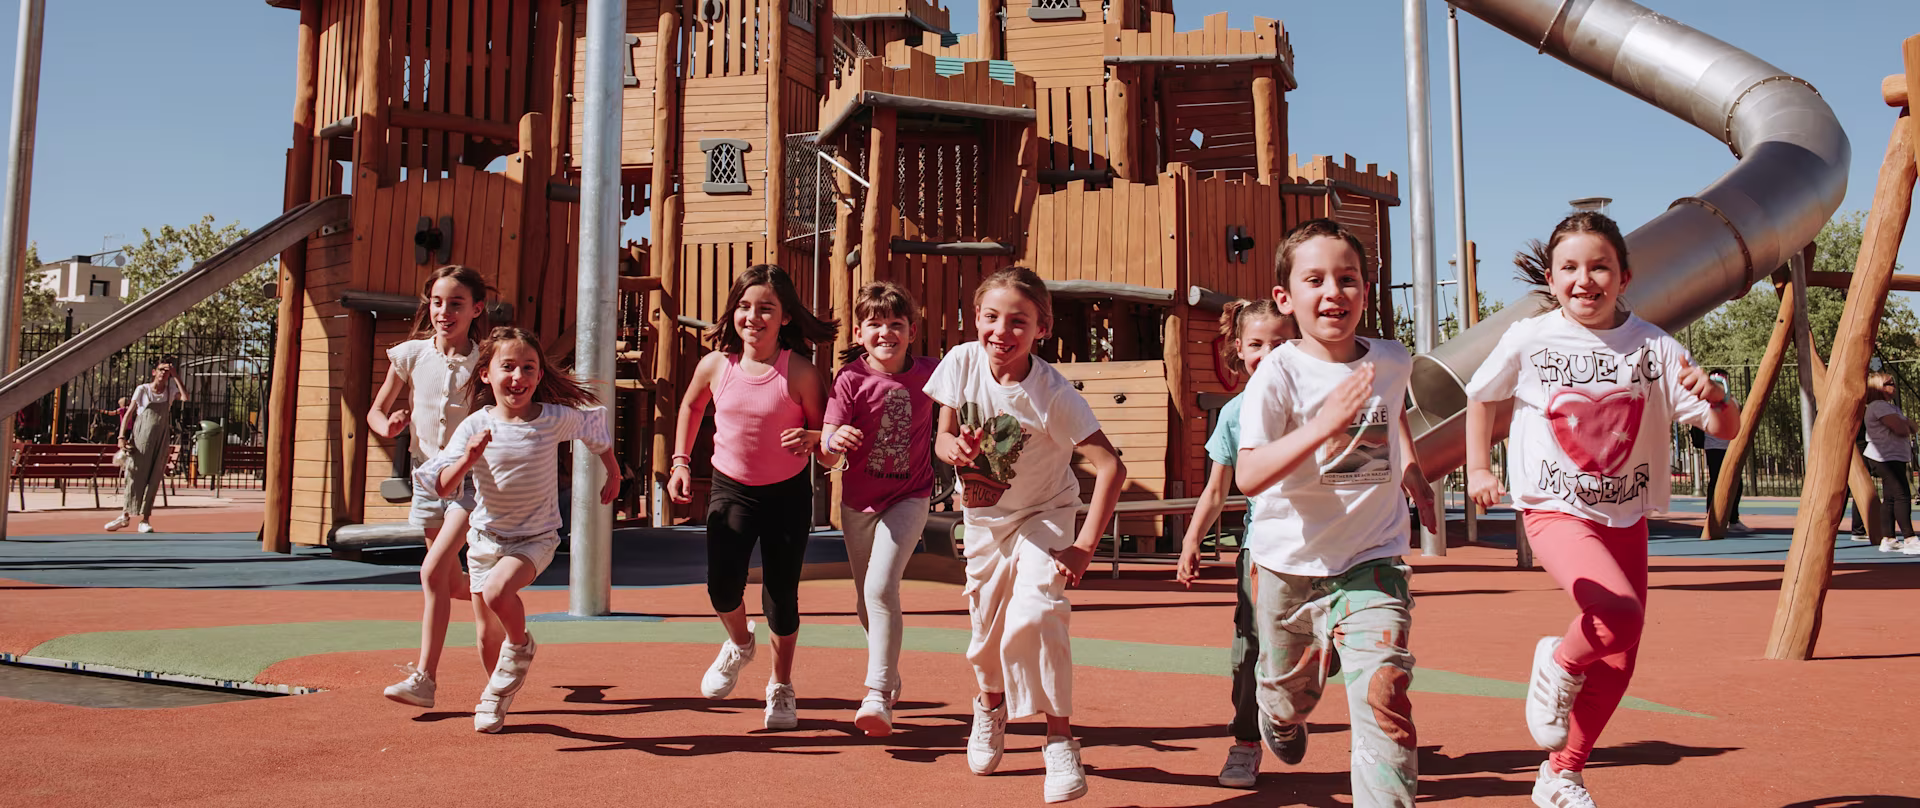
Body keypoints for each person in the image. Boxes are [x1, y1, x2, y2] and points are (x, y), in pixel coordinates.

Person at [1462, 212, 1738, 808]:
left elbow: (1723, 428)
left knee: (1619, 655)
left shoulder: (1653, 346)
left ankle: (1562, 772)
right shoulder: (1532, 337)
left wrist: (1717, 396)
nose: (1584, 279)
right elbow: (1481, 396)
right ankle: (1558, 661)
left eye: (1599, 267)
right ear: (1551, 275)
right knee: (1618, 612)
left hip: (1625, 514)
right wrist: (1481, 468)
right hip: (1554, 507)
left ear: (1624, 275)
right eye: (1570, 267)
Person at [1234, 218, 1435, 808]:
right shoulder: (1277, 375)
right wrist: (1322, 426)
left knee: (1384, 688)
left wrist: (1411, 470)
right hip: (1286, 565)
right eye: (1315, 280)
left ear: (1365, 292)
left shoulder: (1392, 359)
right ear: (1286, 297)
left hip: (1371, 557)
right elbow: (1248, 475)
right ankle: (1281, 711)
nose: (1333, 293)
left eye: (1348, 280)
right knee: (1289, 694)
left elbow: (1391, 411)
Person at [926, 266, 1126, 804]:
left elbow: (1111, 468)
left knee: (1038, 613)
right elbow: (944, 437)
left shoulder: (1054, 395)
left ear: (1042, 328)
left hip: (1045, 515)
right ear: (976, 319)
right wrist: (954, 451)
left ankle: (1059, 739)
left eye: (1019, 321)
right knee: (986, 637)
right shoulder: (961, 363)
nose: (1002, 331)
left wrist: (1084, 546)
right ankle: (990, 705)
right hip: (985, 523)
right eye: (992, 317)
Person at [414, 326, 619, 733]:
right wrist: (469, 458)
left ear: (540, 376)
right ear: (486, 374)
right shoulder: (474, 426)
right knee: (486, 633)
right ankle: (496, 695)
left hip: (535, 538)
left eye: (529, 368)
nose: (518, 377)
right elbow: (441, 485)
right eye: (508, 366)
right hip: (486, 538)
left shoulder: (553, 420)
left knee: (497, 592)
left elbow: (594, 431)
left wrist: (613, 473)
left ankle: (522, 644)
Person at [668, 265, 835, 731]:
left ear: (785, 318)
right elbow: (691, 405)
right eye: (744, 306)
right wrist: (681, 461)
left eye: (766, 308)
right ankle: (741, 644)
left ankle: (781, 686)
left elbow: (826, 440)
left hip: (786, 495)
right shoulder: (716, 365)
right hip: (731, 489)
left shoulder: (800, 372)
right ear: (733, 311)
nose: (753, 317)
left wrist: (815, 438)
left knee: (781, 597)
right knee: (722, 588)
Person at [1173, 298, 1293, 788]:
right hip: (1261, 550)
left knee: (1321, 647)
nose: (1268, 353)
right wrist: (1190, 542)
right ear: (1238, 349)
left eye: (1281, 344)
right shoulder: (1235, 414)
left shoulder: (1318, 401)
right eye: (1258, 344)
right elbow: (1217, 489)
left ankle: (1289, 706)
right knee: (1249, 650)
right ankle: (1246, 743)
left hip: (1324, 549)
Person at [819, 281, 939, 737]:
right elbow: (828, 450)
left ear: (911, 331)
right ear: (858, 331)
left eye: (896, 324)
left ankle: (876, 691)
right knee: (865, 597)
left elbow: (973, 388)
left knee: (881, 585)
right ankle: (888, 669)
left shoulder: (931, 372)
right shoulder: (850, 379)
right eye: (875, 324)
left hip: (909, 496)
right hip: (858, 503)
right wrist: (834, 441)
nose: (886, 332)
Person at [370, 265, 491, 709]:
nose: (444, 311)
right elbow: (377, 410)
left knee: (434, 573)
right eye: (437, 302)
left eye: (456, 303)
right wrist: (388, 426)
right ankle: (491, 594)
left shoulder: (486, 361)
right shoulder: (411, 355)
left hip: (471, 482)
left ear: (476, 309)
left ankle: (425, 677)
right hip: (427, 478)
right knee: (445, 579)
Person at [106, 359, 186, 534]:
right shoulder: (143, 389)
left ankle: (145, 519)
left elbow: (185, 397)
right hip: (141, 438)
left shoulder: (170, 390)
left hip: (161, 439)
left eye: (167, 371)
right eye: (161, 370)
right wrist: (121, 437)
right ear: (154, 372)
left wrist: (176, 376)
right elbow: (129, 412)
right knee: (135, 474)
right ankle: (125, 515)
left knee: (154, 477)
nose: (164, 373)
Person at [1862, 371, 1918, 554]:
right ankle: (1909, 539)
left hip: (1895, 456)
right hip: (1885, 457)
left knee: (1891, 497)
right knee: (1902, 494)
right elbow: (1903, 429)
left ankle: (1889, 538)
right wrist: (1906, 424)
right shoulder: (1878, 406)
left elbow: (1913, 427)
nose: (1893, 386)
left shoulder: (1891, 408)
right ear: (1878, 387)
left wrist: (1907, 424)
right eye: (1888, 383)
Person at [1701, 369, 1746, 533]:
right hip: (1714, 447)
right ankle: (1711, 517)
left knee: (1736, 482)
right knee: (1716, 481)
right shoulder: (1706, 401)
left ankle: (1733, 519)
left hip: (1731, 446)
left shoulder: (1732, 400)